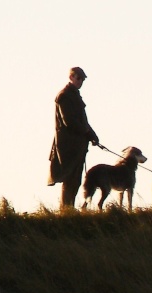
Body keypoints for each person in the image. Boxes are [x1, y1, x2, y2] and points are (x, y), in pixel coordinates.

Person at [48, 67, 99, 209]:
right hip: (67, 145)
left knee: (76, 179)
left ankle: (68, 208)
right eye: (78, 78)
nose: (81, 81)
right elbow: (68, 121)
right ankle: (66, 210)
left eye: (82, 79)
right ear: (71, 77)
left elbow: (83, 121)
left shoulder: (75, 95)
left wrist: (92, 134)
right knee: (69, 178)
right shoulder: (64, 95)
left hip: (78, 145)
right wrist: (87, 133)